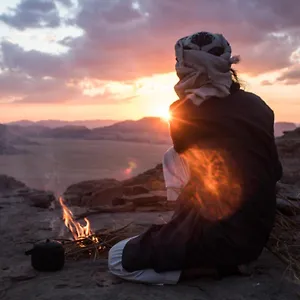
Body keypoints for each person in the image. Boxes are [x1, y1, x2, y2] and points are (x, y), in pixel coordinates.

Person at [108, 31, 283, 285]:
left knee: (116, 258)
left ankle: (218, 269)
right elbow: (272, 171)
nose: (178, 69)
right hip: (257, 230)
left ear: (189, 67)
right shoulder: (259, 105)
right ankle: (189, 231)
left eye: (182, 64)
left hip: (223, 237)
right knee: (174, 157)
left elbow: (190, 154)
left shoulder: (183, 111)